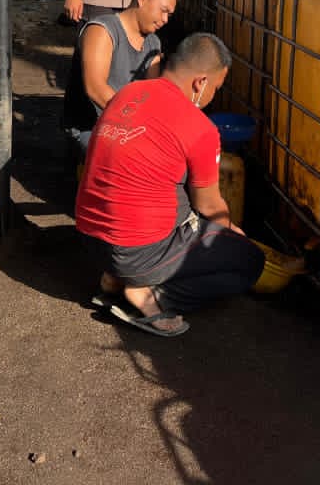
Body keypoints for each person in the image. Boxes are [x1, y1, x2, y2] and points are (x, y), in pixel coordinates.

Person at [75, 33, 265, 337]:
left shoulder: (128, 93)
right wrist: (230, 232)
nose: (214, 95)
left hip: (89, 238)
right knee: (250, 261)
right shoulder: (200, 127)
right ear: (200, 82)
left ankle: (115, 277)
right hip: (135, 252)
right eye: (216, 88)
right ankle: (151, 294)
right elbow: (208, 205)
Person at [61, 0, 180, 153]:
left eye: (169, 15)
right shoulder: (102, 30)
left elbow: (150, 95)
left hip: (127, 127)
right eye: (163, 10)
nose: (165, 19)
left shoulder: (153, 43)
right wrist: (136, 123)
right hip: (89, 128)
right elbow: (96, 89)